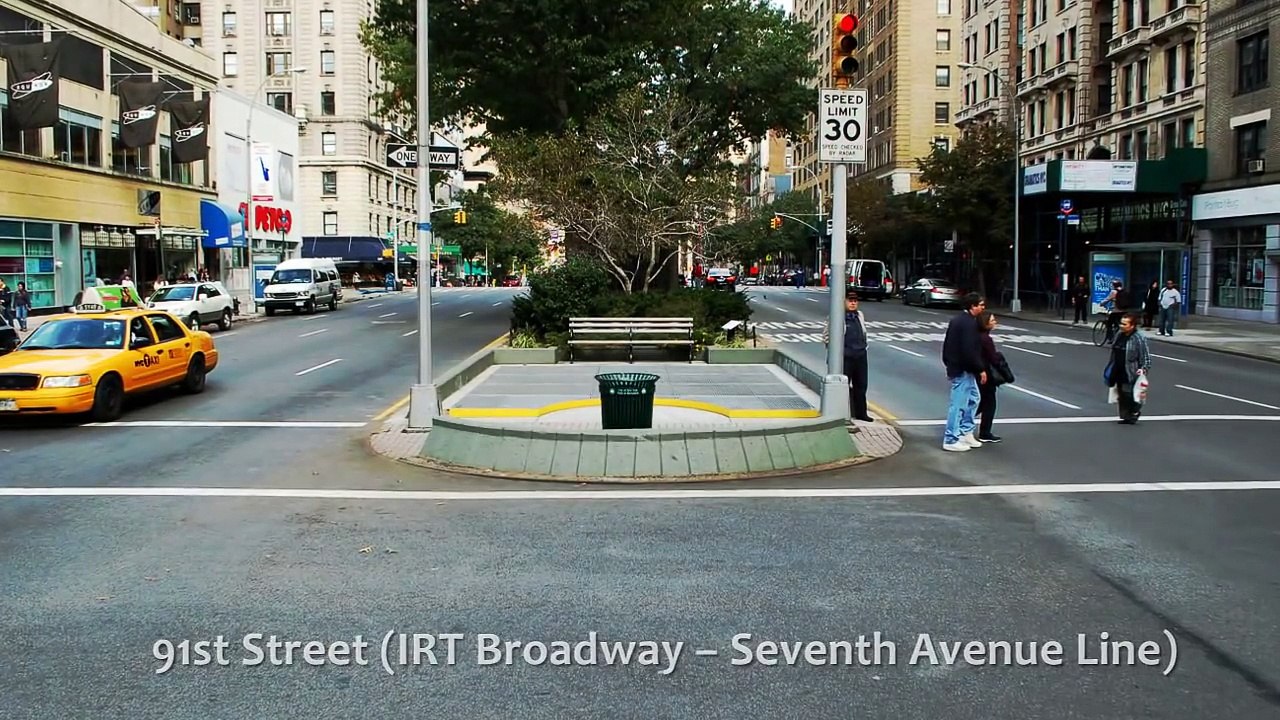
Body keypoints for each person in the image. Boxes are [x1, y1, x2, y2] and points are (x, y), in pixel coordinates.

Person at [941, 293, 987, 452]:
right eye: (980, 304)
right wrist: (980, 369)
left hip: (961, 368)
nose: (983, 307)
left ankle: (965, 431)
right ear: (972, 306)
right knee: (958, 404)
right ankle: (951, 439)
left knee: (974, 398)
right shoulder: (967, 324)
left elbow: (948, 346)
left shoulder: (961, 321)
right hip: (962, 369)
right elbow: (969, 350)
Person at [822, 291, 874, 423]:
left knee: (861, 386)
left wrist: (864, 347)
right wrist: (835, 352)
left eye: (855, 301)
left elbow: (863, 332)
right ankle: (843, 414)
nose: (853, 303)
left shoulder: (860, 315)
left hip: (860, 355)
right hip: (845, 356)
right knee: (843, 386)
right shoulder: (837, 316)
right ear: (844, 302)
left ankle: (861, 413)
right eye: (850, 300)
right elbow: (826, 336)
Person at [1106, 313, 1152, 425]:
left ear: (1132, 326)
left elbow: (1145, 356)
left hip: (1130, 370)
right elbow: (1114, 350)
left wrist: (1143, 368)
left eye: (1124, 324)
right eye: (1121, 323)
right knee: (1121, 393)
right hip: (1118, 368)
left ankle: (1134, 412)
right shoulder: (1119, 334)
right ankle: (1126, 416)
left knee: (1130, 394)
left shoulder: (1138, 338)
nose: (1121, 325)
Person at [975, 310, 1009, 443]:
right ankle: (985, 432)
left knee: (982, 403)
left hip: (980, 373)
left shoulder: (977, 336)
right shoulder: (985, 339)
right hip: (986, 375)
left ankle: (963, 423)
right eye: (992, 320)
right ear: (986, 323)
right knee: (989, 404)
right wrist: (999, 358)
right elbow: (992, 358)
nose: (995, 322)